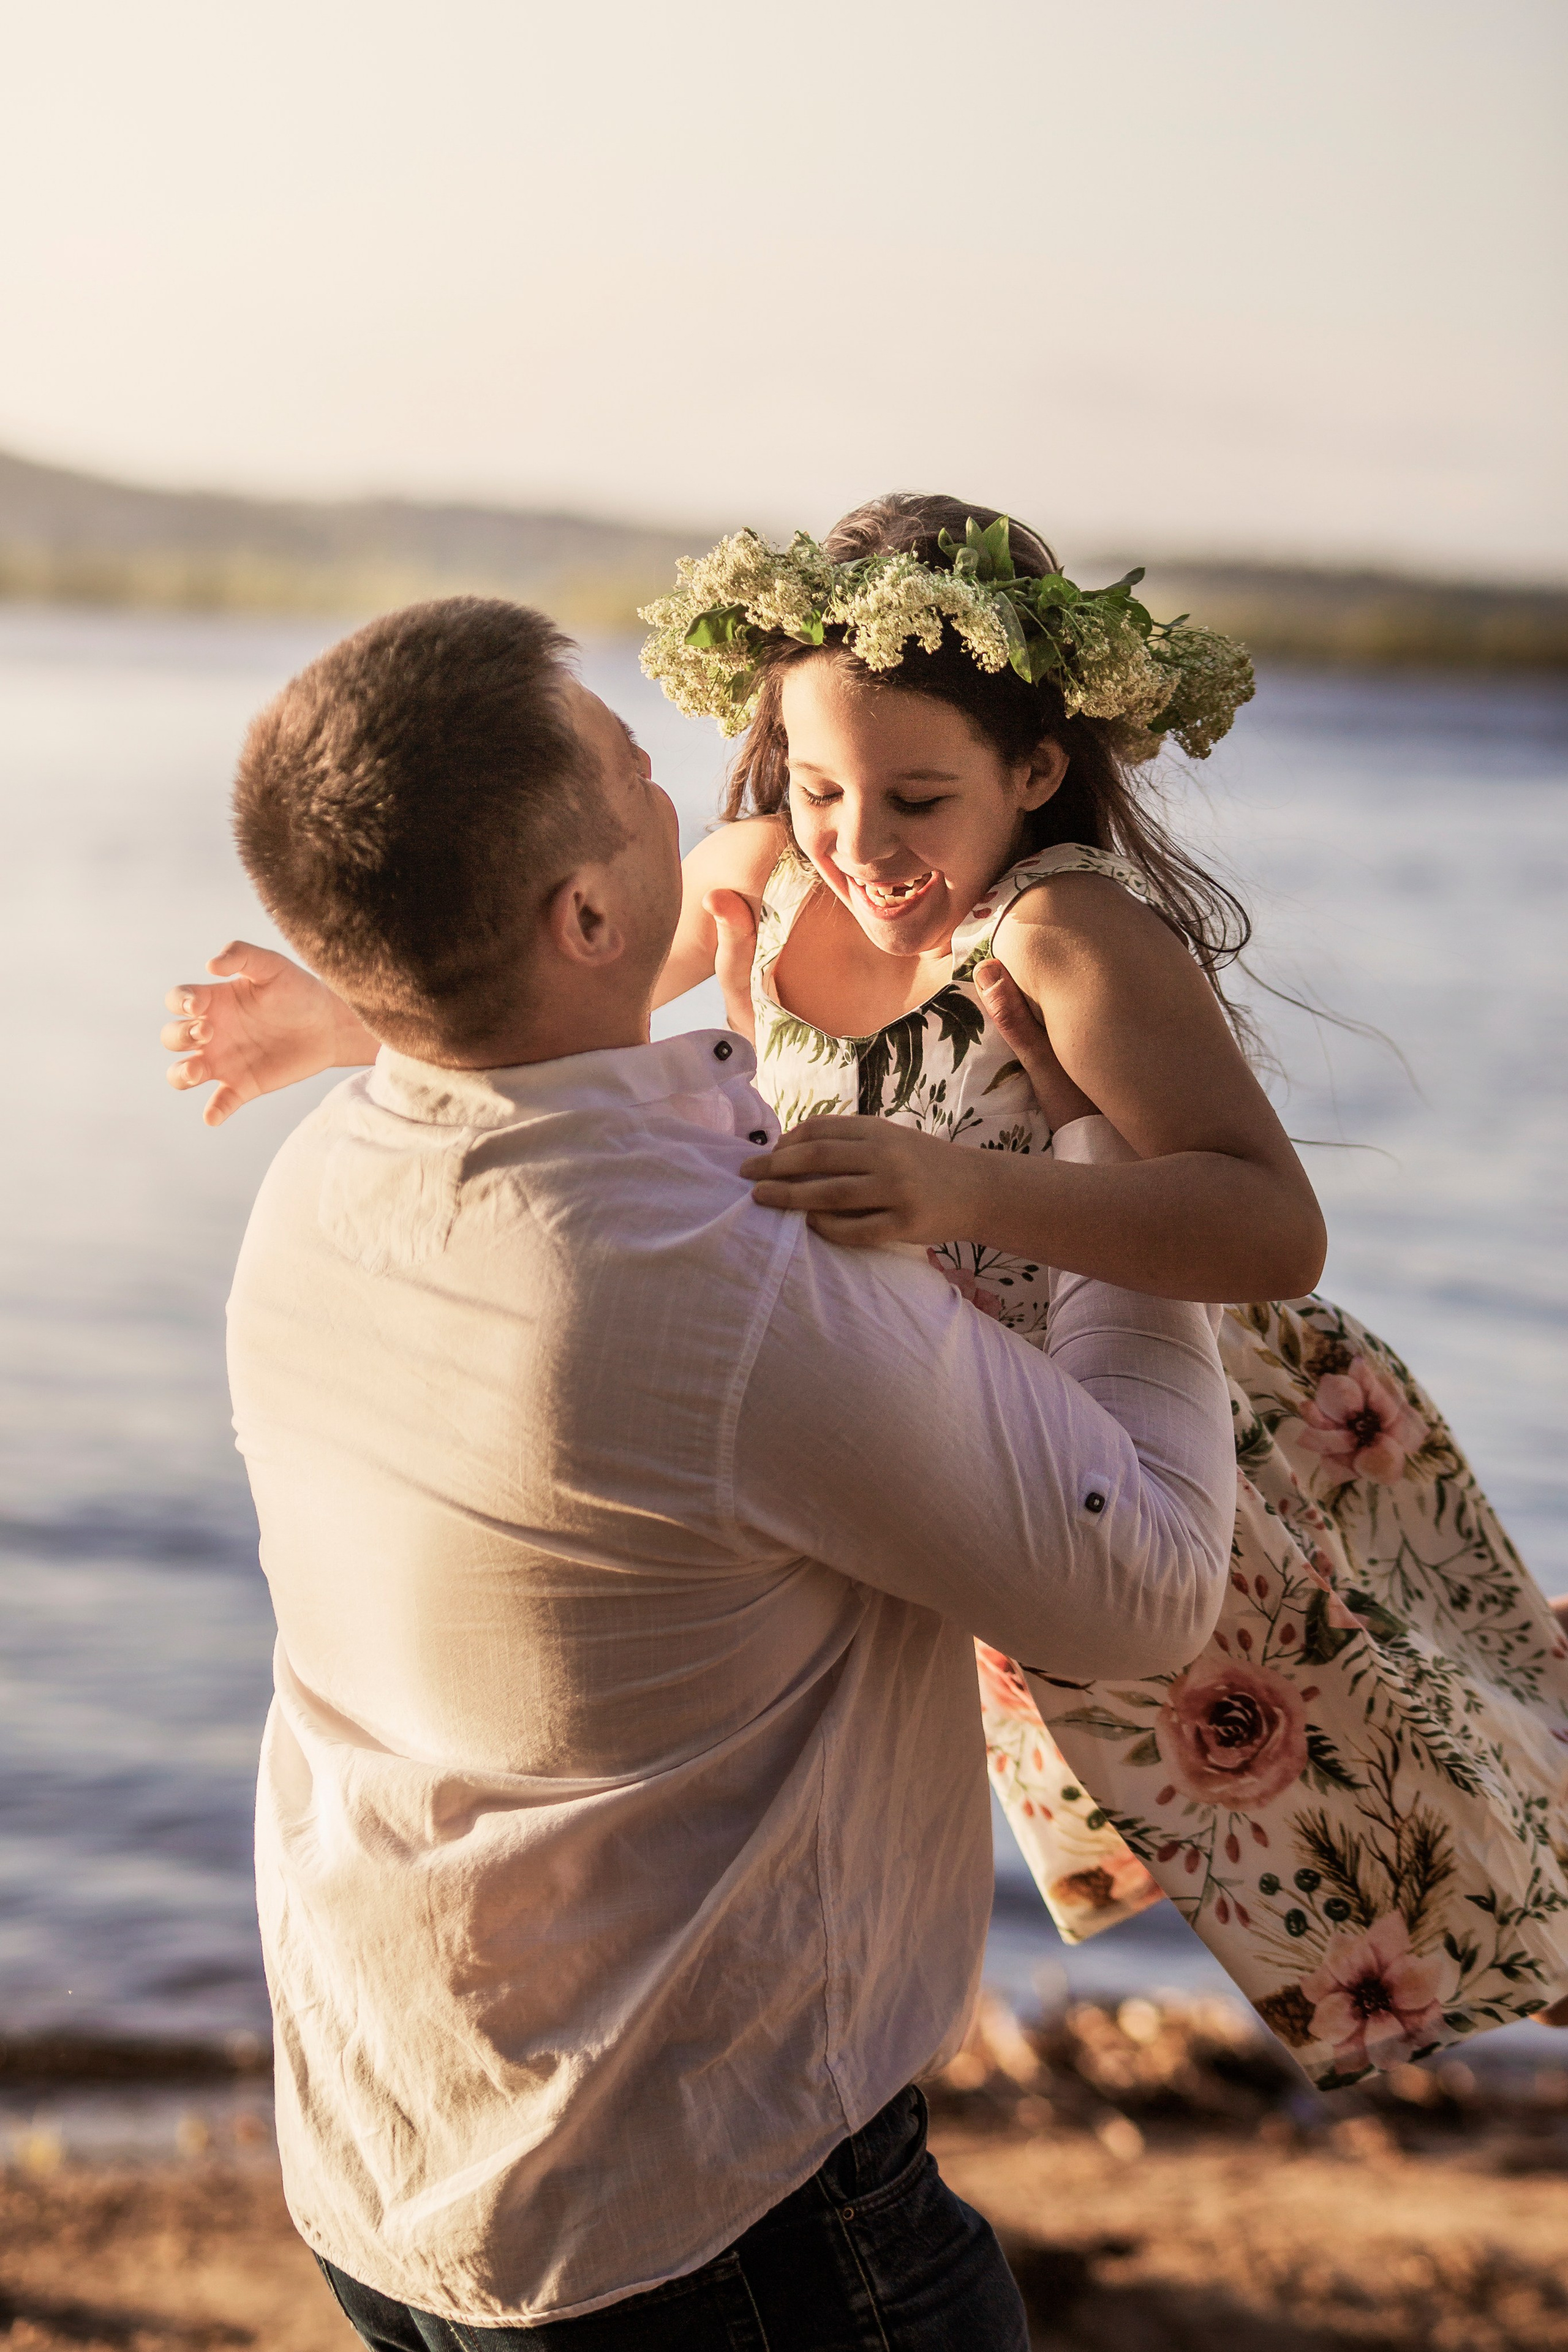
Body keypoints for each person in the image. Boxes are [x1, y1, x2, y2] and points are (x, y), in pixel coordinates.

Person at [167, 496, 1568, 2080]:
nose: (862, 844)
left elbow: (1270, 1226)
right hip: (948, 1456)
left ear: (1034, 773)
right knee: (1226, 1853)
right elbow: (547, 984)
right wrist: (340, 1020)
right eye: (822, 783)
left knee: (1430, 1831)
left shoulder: (1064, 938)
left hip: (1169, 1438)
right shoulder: (765, 876)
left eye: (917, 797)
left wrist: (970, 1187)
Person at [205, 595, 1237, 2346]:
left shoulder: (320, 1184)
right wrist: (1089, 1142)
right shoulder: (747, 1281)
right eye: (634, 769)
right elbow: (1144, 1590)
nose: (706, 787)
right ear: (594, 912)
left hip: (383, 2156)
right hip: (708, 2225)